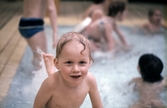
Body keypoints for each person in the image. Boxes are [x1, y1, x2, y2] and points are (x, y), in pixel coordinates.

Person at [33, 32, 103, 108]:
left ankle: (51, 69)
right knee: (55, 80)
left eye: (82, 62)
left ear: (89, 62)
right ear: (57, 64)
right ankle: (51, 70)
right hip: (55, 82)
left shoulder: (90, 80)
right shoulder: (50, 84)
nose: (76, 69)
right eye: (69, 62)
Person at [18, 0, 58, 68]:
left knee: (38, 57)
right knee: (44, 62)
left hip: (23, 23)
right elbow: (51, 8)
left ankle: (34, 72)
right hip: (34, 25)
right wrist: (55, 32)